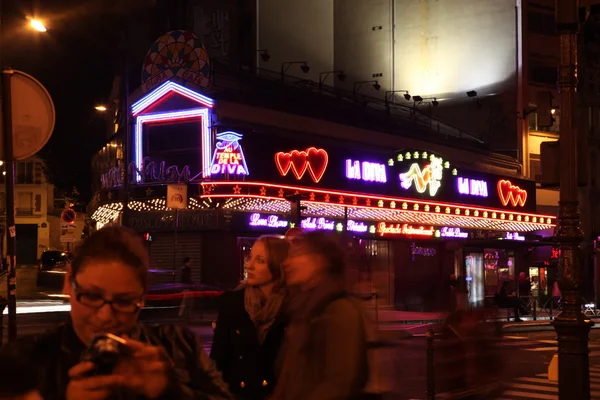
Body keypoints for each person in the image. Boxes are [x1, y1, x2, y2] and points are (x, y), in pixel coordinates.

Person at [1, 226, 231, 400]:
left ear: (142, 297)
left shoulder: (179, 347)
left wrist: (169, 389)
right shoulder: (25, 360)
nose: (105, 316)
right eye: (91, 296)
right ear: (69, 283)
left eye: (124, 301)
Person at [273, 231, 372, 400]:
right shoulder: (302, 307)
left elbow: (340, 382)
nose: (287, 263)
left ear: (319, 261)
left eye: (297, 255)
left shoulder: (339, 310)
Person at [210, 235, 290, 399]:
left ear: (278, 266)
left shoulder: (293, 306)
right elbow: (218, 360)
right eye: (250, 257)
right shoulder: (233, 303)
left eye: (260, 260)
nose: (250, 266)